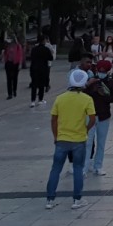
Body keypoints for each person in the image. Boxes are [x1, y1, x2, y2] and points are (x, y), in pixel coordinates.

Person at [46, 69, 96, 209]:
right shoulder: (87, 99)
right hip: (79, 139)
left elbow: (54, 119)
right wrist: (85, 129)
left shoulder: (60, 98)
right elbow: (92, 119)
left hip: (62, 139)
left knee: (56, 169)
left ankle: (50, 200)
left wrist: (56, 136)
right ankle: (77, 199)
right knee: (78, 169)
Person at [85, 60, 113, 176]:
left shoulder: (111, 83)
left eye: (104, 71)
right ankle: (84, 167)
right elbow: (83, 95)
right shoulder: (91, 81)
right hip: (90, 116)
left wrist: (104, 93)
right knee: (87, 142)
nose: (101, 73)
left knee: (101, 143)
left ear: (108, 71)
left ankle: (98, 166)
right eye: (99, 71)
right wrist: (88, 85)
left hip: (104, 116)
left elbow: (112, 99)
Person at [29, 36, 54, 108]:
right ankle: (40, 99)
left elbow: (31, 57)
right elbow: (51, 58)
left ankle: (33, 101)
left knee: (34, 84)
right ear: (43, 41)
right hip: (43, 68)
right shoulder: (46, 49)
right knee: (41, 84)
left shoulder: (34, 49)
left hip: (34, 68)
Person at [3, 36, 24, 100]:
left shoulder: (18, 46)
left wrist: (20, 64)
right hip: (8, 63)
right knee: (9, 79)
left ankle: (14, 90)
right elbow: (5, 54)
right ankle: (10, 94)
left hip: (15, 63)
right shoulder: (7, 46)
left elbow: (20, 55)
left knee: (15, 78)